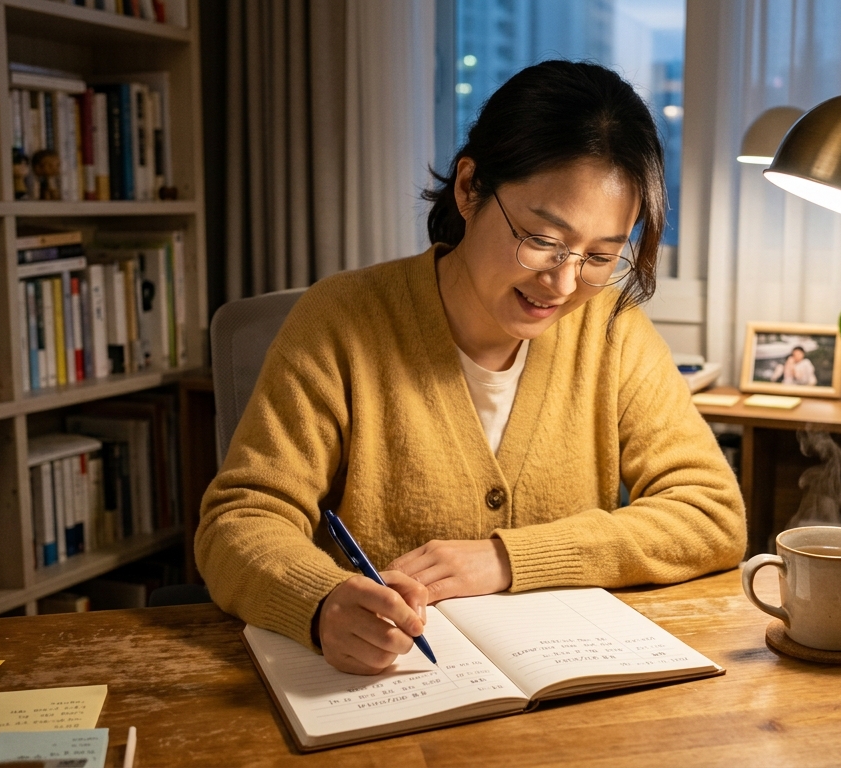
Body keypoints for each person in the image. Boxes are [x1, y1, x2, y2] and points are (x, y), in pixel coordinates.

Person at [197, 61, 747, 675]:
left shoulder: (612, 330)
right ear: (468, 188)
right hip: (388, 684)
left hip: (562, 689)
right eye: (542, 240)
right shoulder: (343, 321)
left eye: (600, 255)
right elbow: (242, 519)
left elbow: (710, 513)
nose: (564, 284)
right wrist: (321, 602)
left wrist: (508, 558)